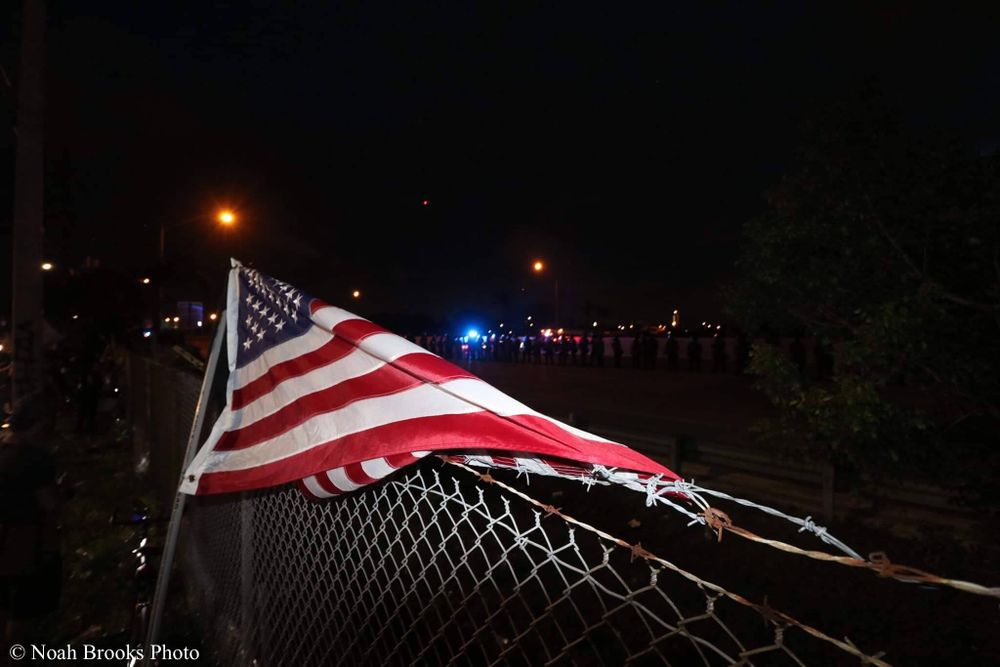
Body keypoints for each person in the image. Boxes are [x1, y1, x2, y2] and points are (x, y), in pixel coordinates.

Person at [0, 394, 61, 648]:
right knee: (22, 609)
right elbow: (48, 503)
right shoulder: (37, 457)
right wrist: (63, 492)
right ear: (38, 425)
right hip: (24, 543)